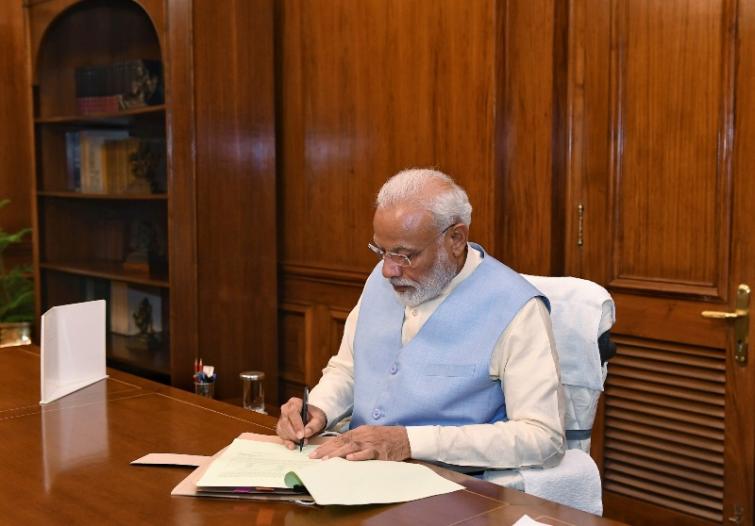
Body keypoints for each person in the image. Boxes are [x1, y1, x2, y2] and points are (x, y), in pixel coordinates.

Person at [276, 168, 565, 471]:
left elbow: (543, 437)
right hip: (354, 470)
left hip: (448, 484)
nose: (388, 270)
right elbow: (349, 370)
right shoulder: (380, 280)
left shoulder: (518, 309)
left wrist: (411, 442)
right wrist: (319, 410)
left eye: (405, 255)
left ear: (456, 238)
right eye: (382, 251)